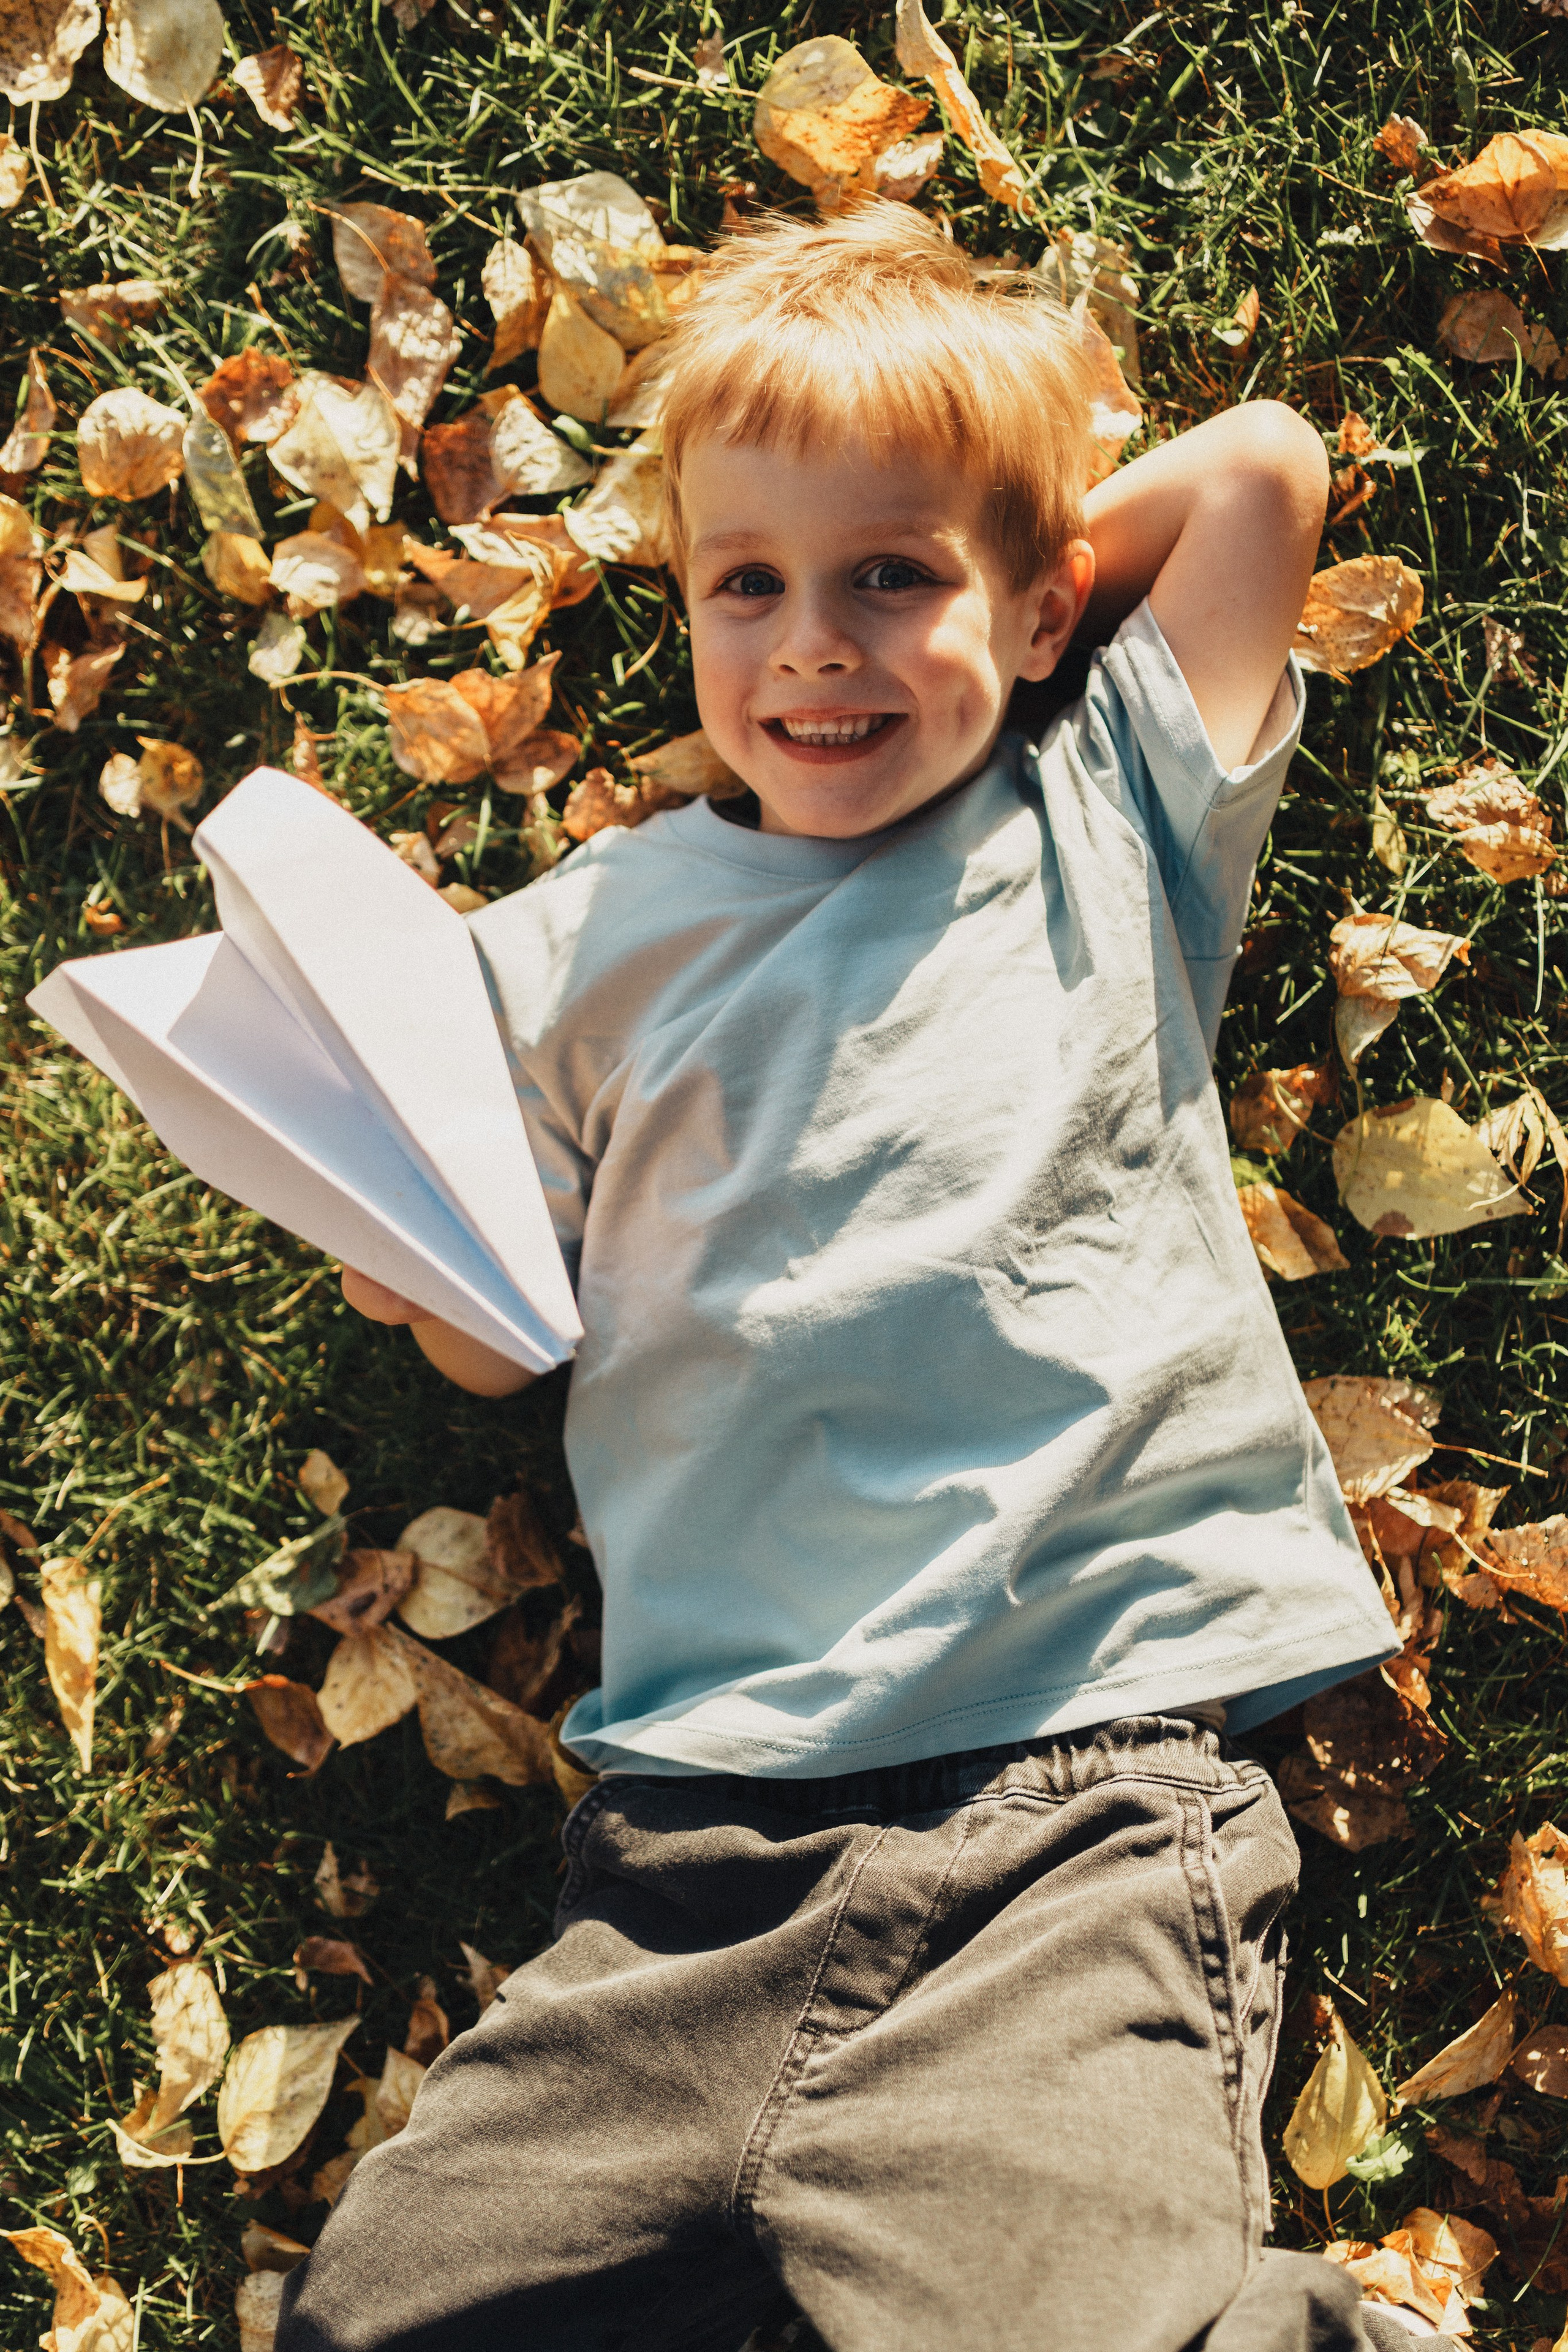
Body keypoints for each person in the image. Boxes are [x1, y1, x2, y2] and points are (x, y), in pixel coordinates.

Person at [278, 204, 1415, 2352]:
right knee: (387, 2322)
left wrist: (1029, 590)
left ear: (1045, 599)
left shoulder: (1099, 818)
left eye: (889, 574)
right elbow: (484, 1331)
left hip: (1077, 1807)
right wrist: (385, 1240)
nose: (814, 646)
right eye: (750, 583)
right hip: (686, 1852)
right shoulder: (577, 945)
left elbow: (1261, 471)